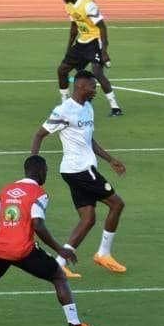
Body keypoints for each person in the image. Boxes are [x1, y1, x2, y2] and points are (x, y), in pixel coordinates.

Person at [0, 155, 100, 326]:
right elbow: (38, 224)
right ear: (40, 171)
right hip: (22, 250)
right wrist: (60, 249)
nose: (46, 174)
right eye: (46, 171)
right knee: (59, 276)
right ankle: (74, 325)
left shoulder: (6, 190)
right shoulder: (39, 194)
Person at [31, 70, 128, 277]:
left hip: (78, 170)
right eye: (93, 87)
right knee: (117, 204)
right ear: (81, 86)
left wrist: (110, 160)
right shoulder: (64, 110)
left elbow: (89, 140)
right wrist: (33, 163)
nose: (95, 91)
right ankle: (103, 253)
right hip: (80, 170)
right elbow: (39, 134)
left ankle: (59, 263)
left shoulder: (88, 108)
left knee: (88, 218)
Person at [57, 0, 123, 116]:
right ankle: (64, 104)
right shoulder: (68, 6)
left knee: (98, 73)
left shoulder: (88, 4)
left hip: (95, 41)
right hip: (82, 42)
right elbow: (74, 28)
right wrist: (69, 48)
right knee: (62, 70)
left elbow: (102, 27)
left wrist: (104, 51)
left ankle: (115, 107)